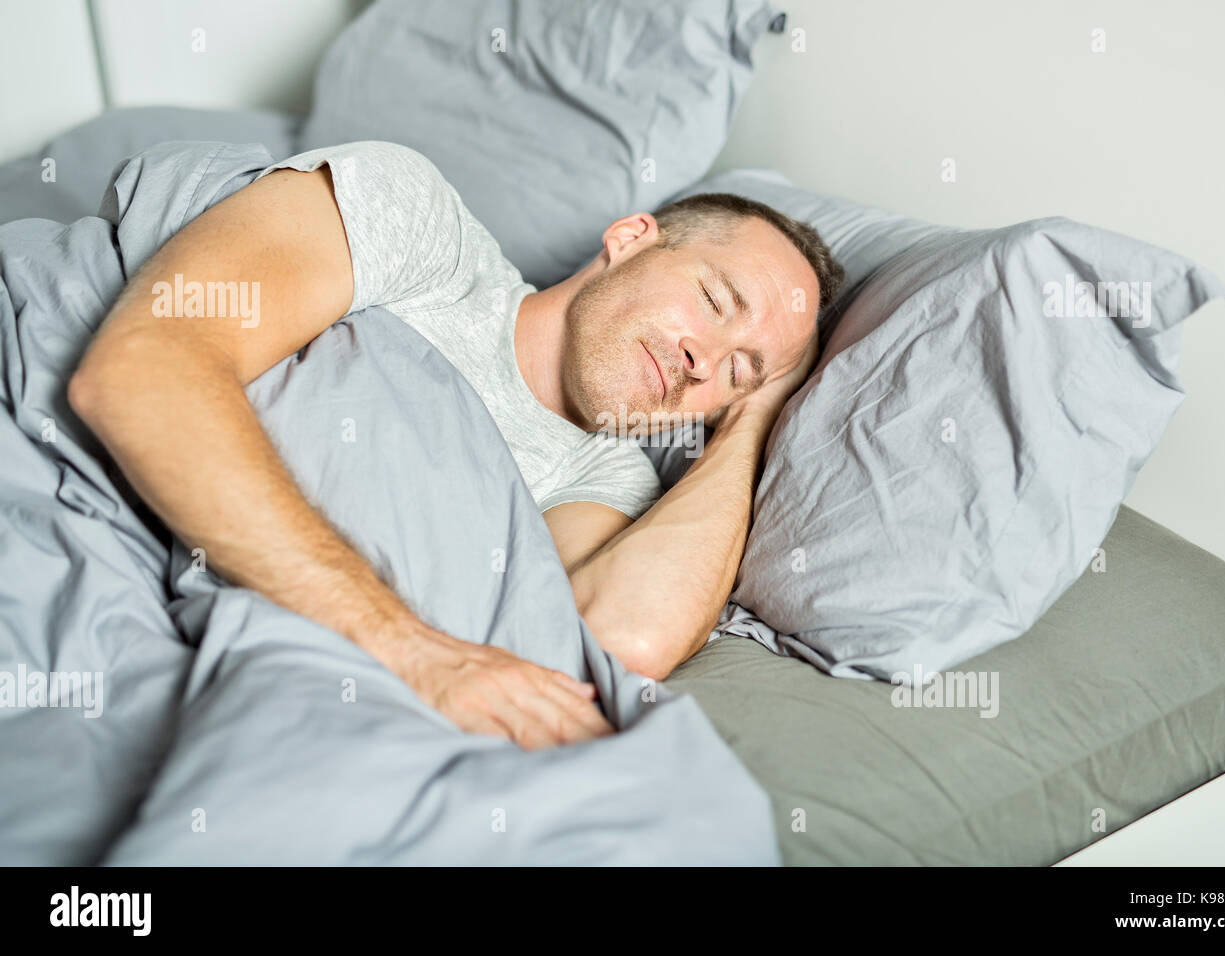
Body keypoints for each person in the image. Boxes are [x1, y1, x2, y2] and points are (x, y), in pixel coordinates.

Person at [68, 140, 844, 750]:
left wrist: (754, 419)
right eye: (714, 302)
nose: (705, 361)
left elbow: (624, 639)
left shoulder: (609, 481)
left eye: (737, 372)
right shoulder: (429, 234)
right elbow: (141, 367)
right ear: (631, 239)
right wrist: (409, 650)